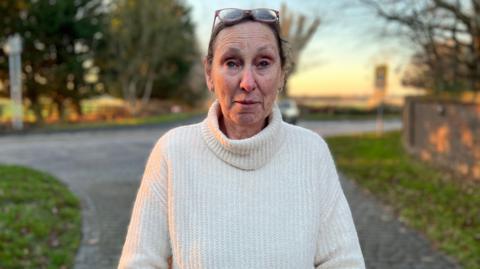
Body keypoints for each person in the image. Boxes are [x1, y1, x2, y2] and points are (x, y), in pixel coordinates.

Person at [118, 8, 365, 269]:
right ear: (209, 74)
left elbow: (342, 261)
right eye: (232, 63)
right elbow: (140, 262)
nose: (248, 82)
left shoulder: (311, 152)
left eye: (263, 63)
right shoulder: (173, 152)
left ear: (282, 74)